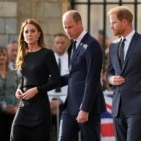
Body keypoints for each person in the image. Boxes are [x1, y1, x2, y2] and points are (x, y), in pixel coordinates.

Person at [106, 6, 141, 141]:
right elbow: (109, 72)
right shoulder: (113, 45)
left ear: (124, 22)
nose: (111, 26)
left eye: (113, 22)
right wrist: (111, 79)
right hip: (117, 105)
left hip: (138, 103)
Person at [58, 10, 106, 141]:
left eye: (70, 27)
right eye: (65, 27)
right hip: (70, 106)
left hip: (87, 108)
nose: (67, 30)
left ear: (80, 23)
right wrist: (54, 81)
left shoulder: (92, 45)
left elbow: (92, 79)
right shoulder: (73, 44)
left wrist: (85, 109)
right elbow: (76, 75)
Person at [10, 18, 61, 141]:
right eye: (26, 32)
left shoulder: (47, 54)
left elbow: (56, 80)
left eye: (33, 31)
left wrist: (37, 90)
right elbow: (24, 79)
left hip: (40, 107)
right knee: (15, 135)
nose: (29, 34)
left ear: (39, 34)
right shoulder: (23, 55)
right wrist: (18, 89)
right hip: (24, 107)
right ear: (22, 35)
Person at [48, 33, 70, 140]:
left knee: (63, 135)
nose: (60, 45)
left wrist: (61, 100)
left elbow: (73, 82)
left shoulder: (72, 61)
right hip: (47, 104)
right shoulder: (47, 60)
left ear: (67, 44)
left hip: (66, 104)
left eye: (62, 43)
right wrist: (50, 101)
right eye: (57, 43)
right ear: (53, 44)